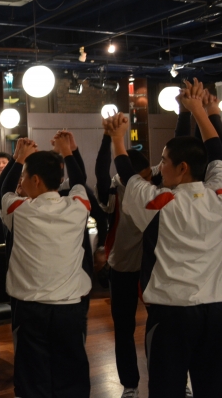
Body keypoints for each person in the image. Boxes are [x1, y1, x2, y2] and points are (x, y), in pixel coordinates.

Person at [105, 78, 222, 398]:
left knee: (166, 389)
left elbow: (128, 176)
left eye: (165, 162)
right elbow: (216, 151)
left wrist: (116, 138)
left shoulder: (160, 203)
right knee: (212, 387)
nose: (161, 167)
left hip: (172, 313)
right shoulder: (217, 194)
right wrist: (201, 111)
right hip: (215, 310)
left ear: (182, 168)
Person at [0, 134, 92, 398]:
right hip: (69, 308)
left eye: (24, 176)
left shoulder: (19, 210)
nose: (21, 181)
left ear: (35, 180)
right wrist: (67, 151)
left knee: (32, 379)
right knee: (72, 376)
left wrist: (19, 158)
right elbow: (80, 181)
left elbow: (3, 191)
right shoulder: (78, 207)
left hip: (30, 309)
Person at [95, 135, 153, 398]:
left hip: (151, 267)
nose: (148, 181)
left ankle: (168, 377)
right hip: (122, 268)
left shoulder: (153, 184)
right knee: (123, 328)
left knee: (160, 326)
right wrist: (108, 137)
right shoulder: (114, 190)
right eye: (144, 176)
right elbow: (100, 170)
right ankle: (130, 384)